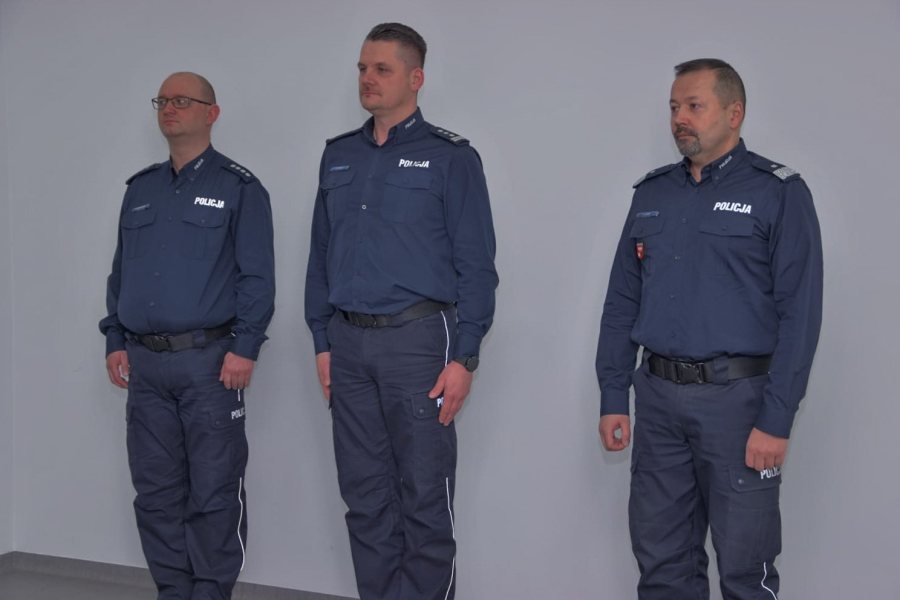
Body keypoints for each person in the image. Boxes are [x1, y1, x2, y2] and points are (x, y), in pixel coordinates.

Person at [596, 58, 822, 599]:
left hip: (738, 406)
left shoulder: (778, 193)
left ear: (734, 112)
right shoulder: (652, 194)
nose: (680, 118)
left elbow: (801, 314)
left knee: (744, 569)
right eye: (674, 107)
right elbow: (622, 301)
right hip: (658, 402)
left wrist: (776, 418)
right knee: (662, 563)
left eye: (694, 106)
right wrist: (613, 394)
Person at [304, 22, 498, 600]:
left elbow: (477, 266)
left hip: (419, 343)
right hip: (348, 344)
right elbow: (319, 257)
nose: (368, 78)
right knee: (364, 497)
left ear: (415, 78)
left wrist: (466, 356)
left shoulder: (451, 158)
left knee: (423, 495)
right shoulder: (338, 156)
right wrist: (321, 341)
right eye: (363, 68)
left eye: (381, 69)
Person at [99, 72, 275, 600]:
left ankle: (210, 593)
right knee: (155, 492)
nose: (169, 109)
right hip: (146, 366)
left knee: (214, 490)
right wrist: (114, 338)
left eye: (182, 100)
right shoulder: (141, 190)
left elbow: (257, 278)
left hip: (209, 364)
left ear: (211, 113)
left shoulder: (239, 188)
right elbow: (121, 273)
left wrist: (245, 346)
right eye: (162, 101)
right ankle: (173, 591)